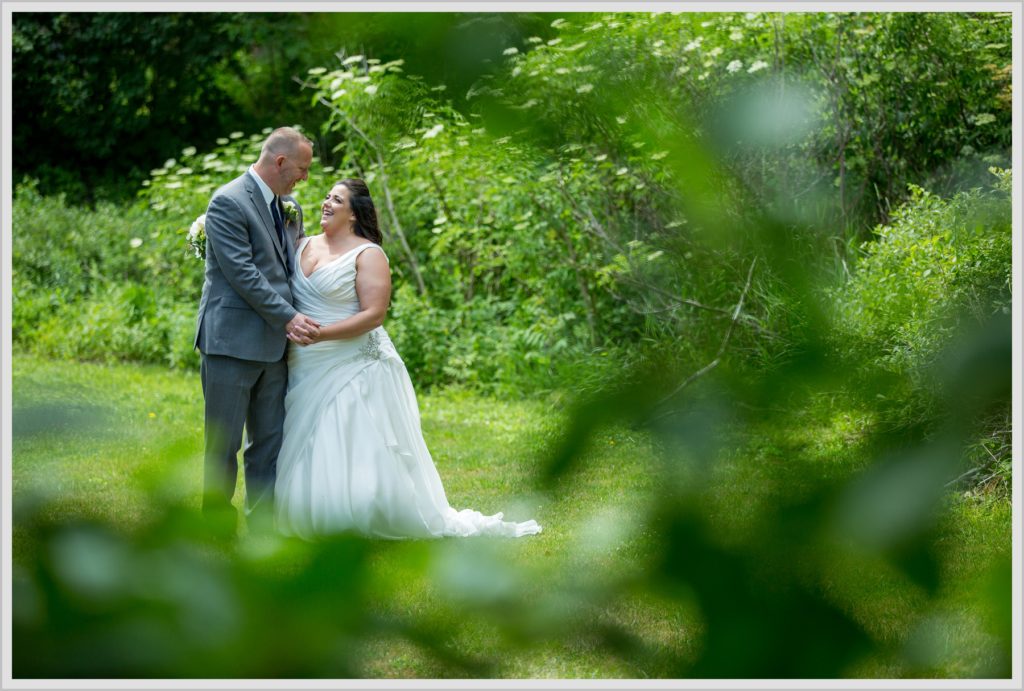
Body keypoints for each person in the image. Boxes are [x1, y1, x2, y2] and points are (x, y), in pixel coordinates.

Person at [274, 179, 542, 539]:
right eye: (327, 196)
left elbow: (373, 315)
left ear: (354, 213)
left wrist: (322, 334)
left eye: (336, 199)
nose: (326, 203)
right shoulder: (301, 244)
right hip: (303, 363)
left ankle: (361, 512)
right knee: (307, 437)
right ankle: (309, 512)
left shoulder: (367, 254)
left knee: (345, 433)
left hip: (349, 360)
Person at [195, 126, 322, 533]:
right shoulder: (228, 202)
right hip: (230, 343)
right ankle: (215, 527)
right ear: (280, 162)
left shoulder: (291, 207)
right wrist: (288, 317)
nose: (305, 177)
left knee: (268, 444)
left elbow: (294, 267)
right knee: (223, 445)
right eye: (301, 169)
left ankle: (262, 528)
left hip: (276, 348)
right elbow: (244, 275)